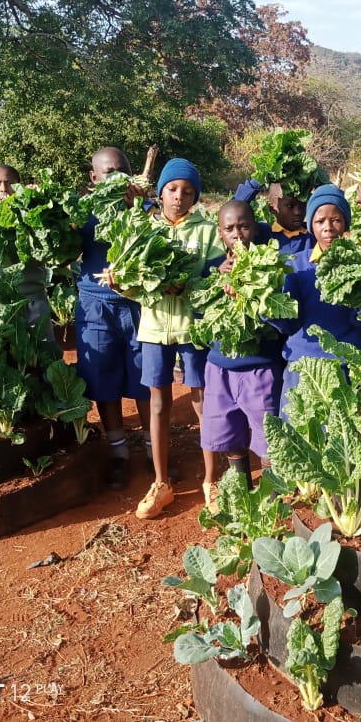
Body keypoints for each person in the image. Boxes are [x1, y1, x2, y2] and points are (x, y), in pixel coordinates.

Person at [125, 158, 223, 520]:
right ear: (161, 192)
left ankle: (211, 481)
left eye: (187, 191)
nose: (179, 196)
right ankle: (162, 482)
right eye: (172, 189)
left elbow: (213, 279)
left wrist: (189, 286)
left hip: (193, 328)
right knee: (158, 403)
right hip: (153, 328)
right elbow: (135, 282)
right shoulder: (146, 229)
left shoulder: (207, 231)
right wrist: (125, 284)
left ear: (195, 196)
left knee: (202, 400)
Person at [270, 184, 361, 410]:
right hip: (303, 370)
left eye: (336, 220)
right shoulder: (294, 265)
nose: (328, 228)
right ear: (311, 226)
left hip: (347, 369)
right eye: (320, 221)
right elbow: (286, 324)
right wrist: (266, 300)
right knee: (297, 439)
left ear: (346, 225)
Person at [75, 147, 151, 491]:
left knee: (145, 378)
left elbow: (156, 238)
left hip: (136, 304)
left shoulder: (145, 208)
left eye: (122, 170)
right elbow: (63, 248)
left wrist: (137, 207)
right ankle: (119, 452)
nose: (116, 178)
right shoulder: (80, 212)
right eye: (108, 172)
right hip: (95, 306)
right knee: (103, 379)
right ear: (94, 178)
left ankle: (153, 450)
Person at [199, 200, 284, 506]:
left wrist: (250, 286)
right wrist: (218, 278)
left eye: (244, 226)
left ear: (256, 227)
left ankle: (273, 497)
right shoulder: (215, 267)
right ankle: (243, 490)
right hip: (220, 366)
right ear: (220, 232)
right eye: (230, 228)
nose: (238, 234)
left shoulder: (271, 264)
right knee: (228, 433)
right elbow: (199, 303)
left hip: (260, 366)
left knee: (268, 436)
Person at [0, 165, 51, 331]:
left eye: (10, 183)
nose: (4, 189)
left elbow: (50, 249)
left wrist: (36, 200)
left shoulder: (34, 213)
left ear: (19, 187)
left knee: (42, 352)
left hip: (33, 298)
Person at [255, 181, 312, 255]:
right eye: (290, 206)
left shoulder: (313, 232)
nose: (297, 212)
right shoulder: (263, 233)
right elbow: (236, 213)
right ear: (272, 208)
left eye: (302, 204)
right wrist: (260, 179)